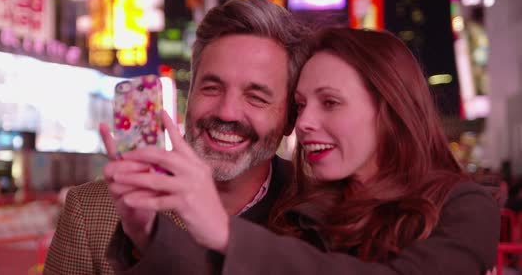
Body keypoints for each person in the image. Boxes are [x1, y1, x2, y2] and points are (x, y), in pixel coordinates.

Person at [111, 27, 500, 274]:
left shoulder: (464, 206)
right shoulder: (304, 208)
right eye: (300, 104)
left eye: (329, 102)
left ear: (389, 110)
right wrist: (144, 231)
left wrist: (226, 233)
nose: (304, 122)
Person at [43, 0, 310, 274]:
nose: (227, 112)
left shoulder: (323, 214)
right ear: (190, 93)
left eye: (256, 97)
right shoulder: (91, 213)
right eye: (211, 88)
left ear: (290, 118)